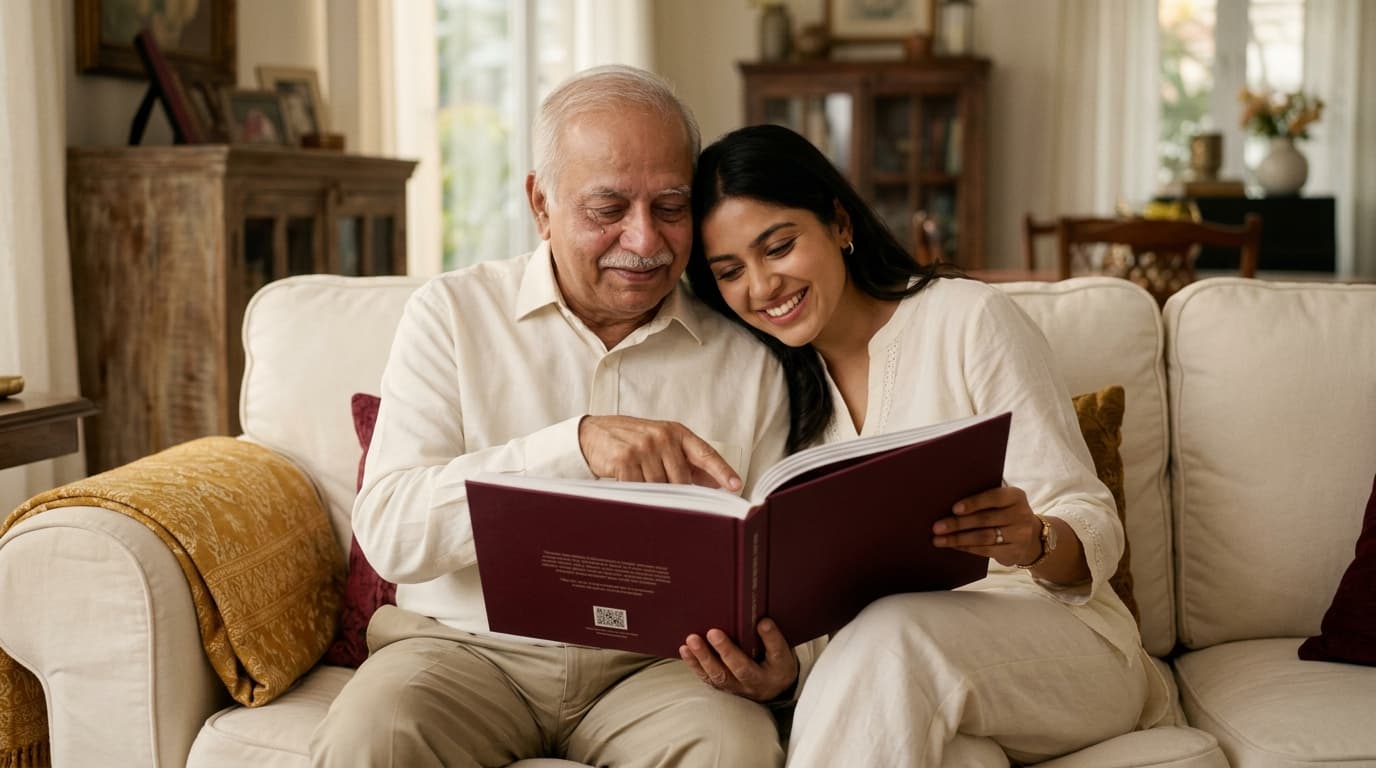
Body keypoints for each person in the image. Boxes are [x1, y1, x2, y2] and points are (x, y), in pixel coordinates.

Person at [311, 68, 820, 767]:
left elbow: (783, 571)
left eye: (670, 206)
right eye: (607, 208)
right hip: (463, 655)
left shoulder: (747, 354)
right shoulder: (452, 316)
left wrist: (783, 664)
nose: (644, 241)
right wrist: (573, 448)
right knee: (372, 737)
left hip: (662, 671)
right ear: (540, 204)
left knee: (735, 748)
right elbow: (393, 533)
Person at [682, 124, 1172, 766]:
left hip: (1065, 651)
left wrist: (1036, 538)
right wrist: (782, 674)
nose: (762, 286)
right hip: (909, 686)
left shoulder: (968, 319)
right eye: (730, 272)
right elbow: (812, 609)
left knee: (893, 633)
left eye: (778, 247)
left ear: (838, 221)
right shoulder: (775, 393)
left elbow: (1092, 520)